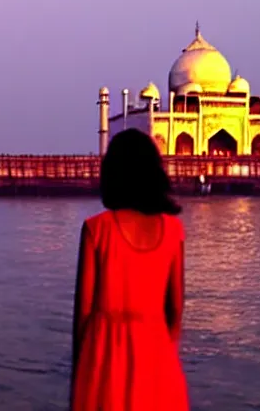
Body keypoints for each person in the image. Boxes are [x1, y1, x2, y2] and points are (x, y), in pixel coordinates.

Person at [70, 128, 189, 410]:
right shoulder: (174, 230)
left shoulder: (97, 229)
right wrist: (161, 351)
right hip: (157, 356)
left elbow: (83, 315)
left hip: (103, 360)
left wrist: (78, 379)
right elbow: (176, 308)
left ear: (112, 175)